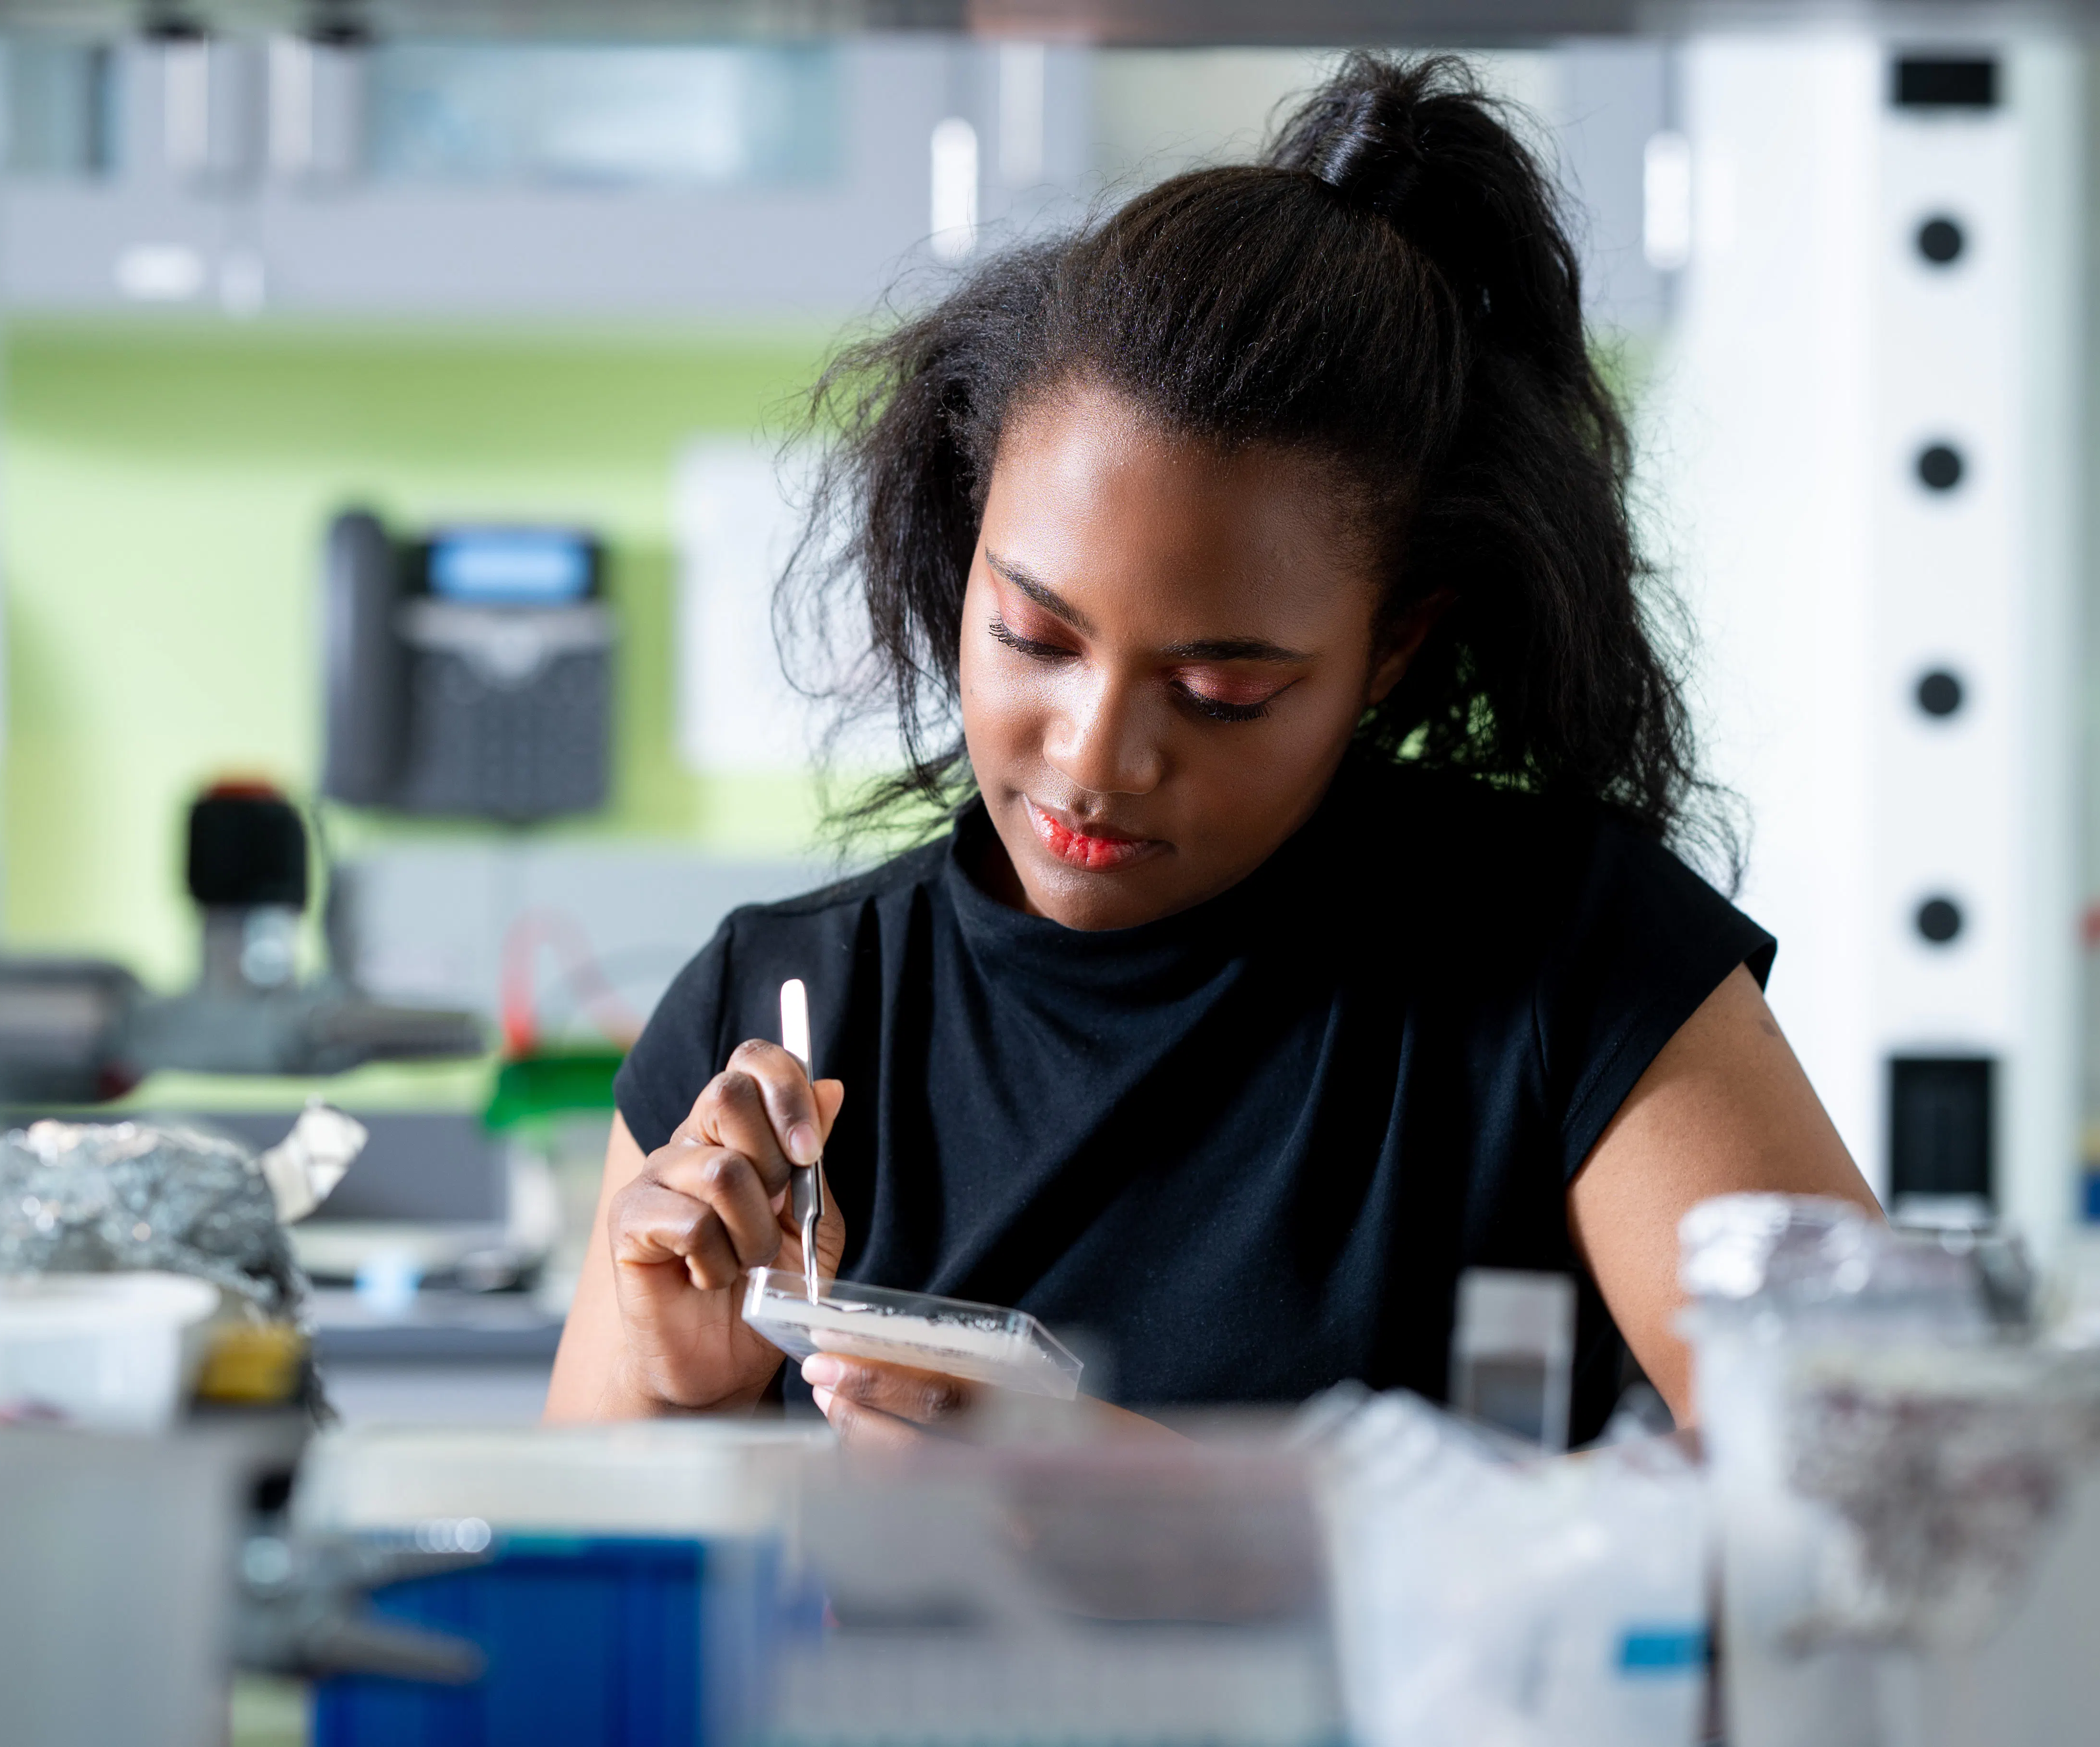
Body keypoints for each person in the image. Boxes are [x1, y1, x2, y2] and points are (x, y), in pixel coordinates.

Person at [546, 52, 1873, 1447]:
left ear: (1395, 651)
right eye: (1033, 638)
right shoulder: (784, 1004)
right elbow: (553, 1598)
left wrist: (1182, 1518)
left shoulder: (1566, 965)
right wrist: (677, 1387)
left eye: (1223, 689)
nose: (1097, 756)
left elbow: (1878, 1506)